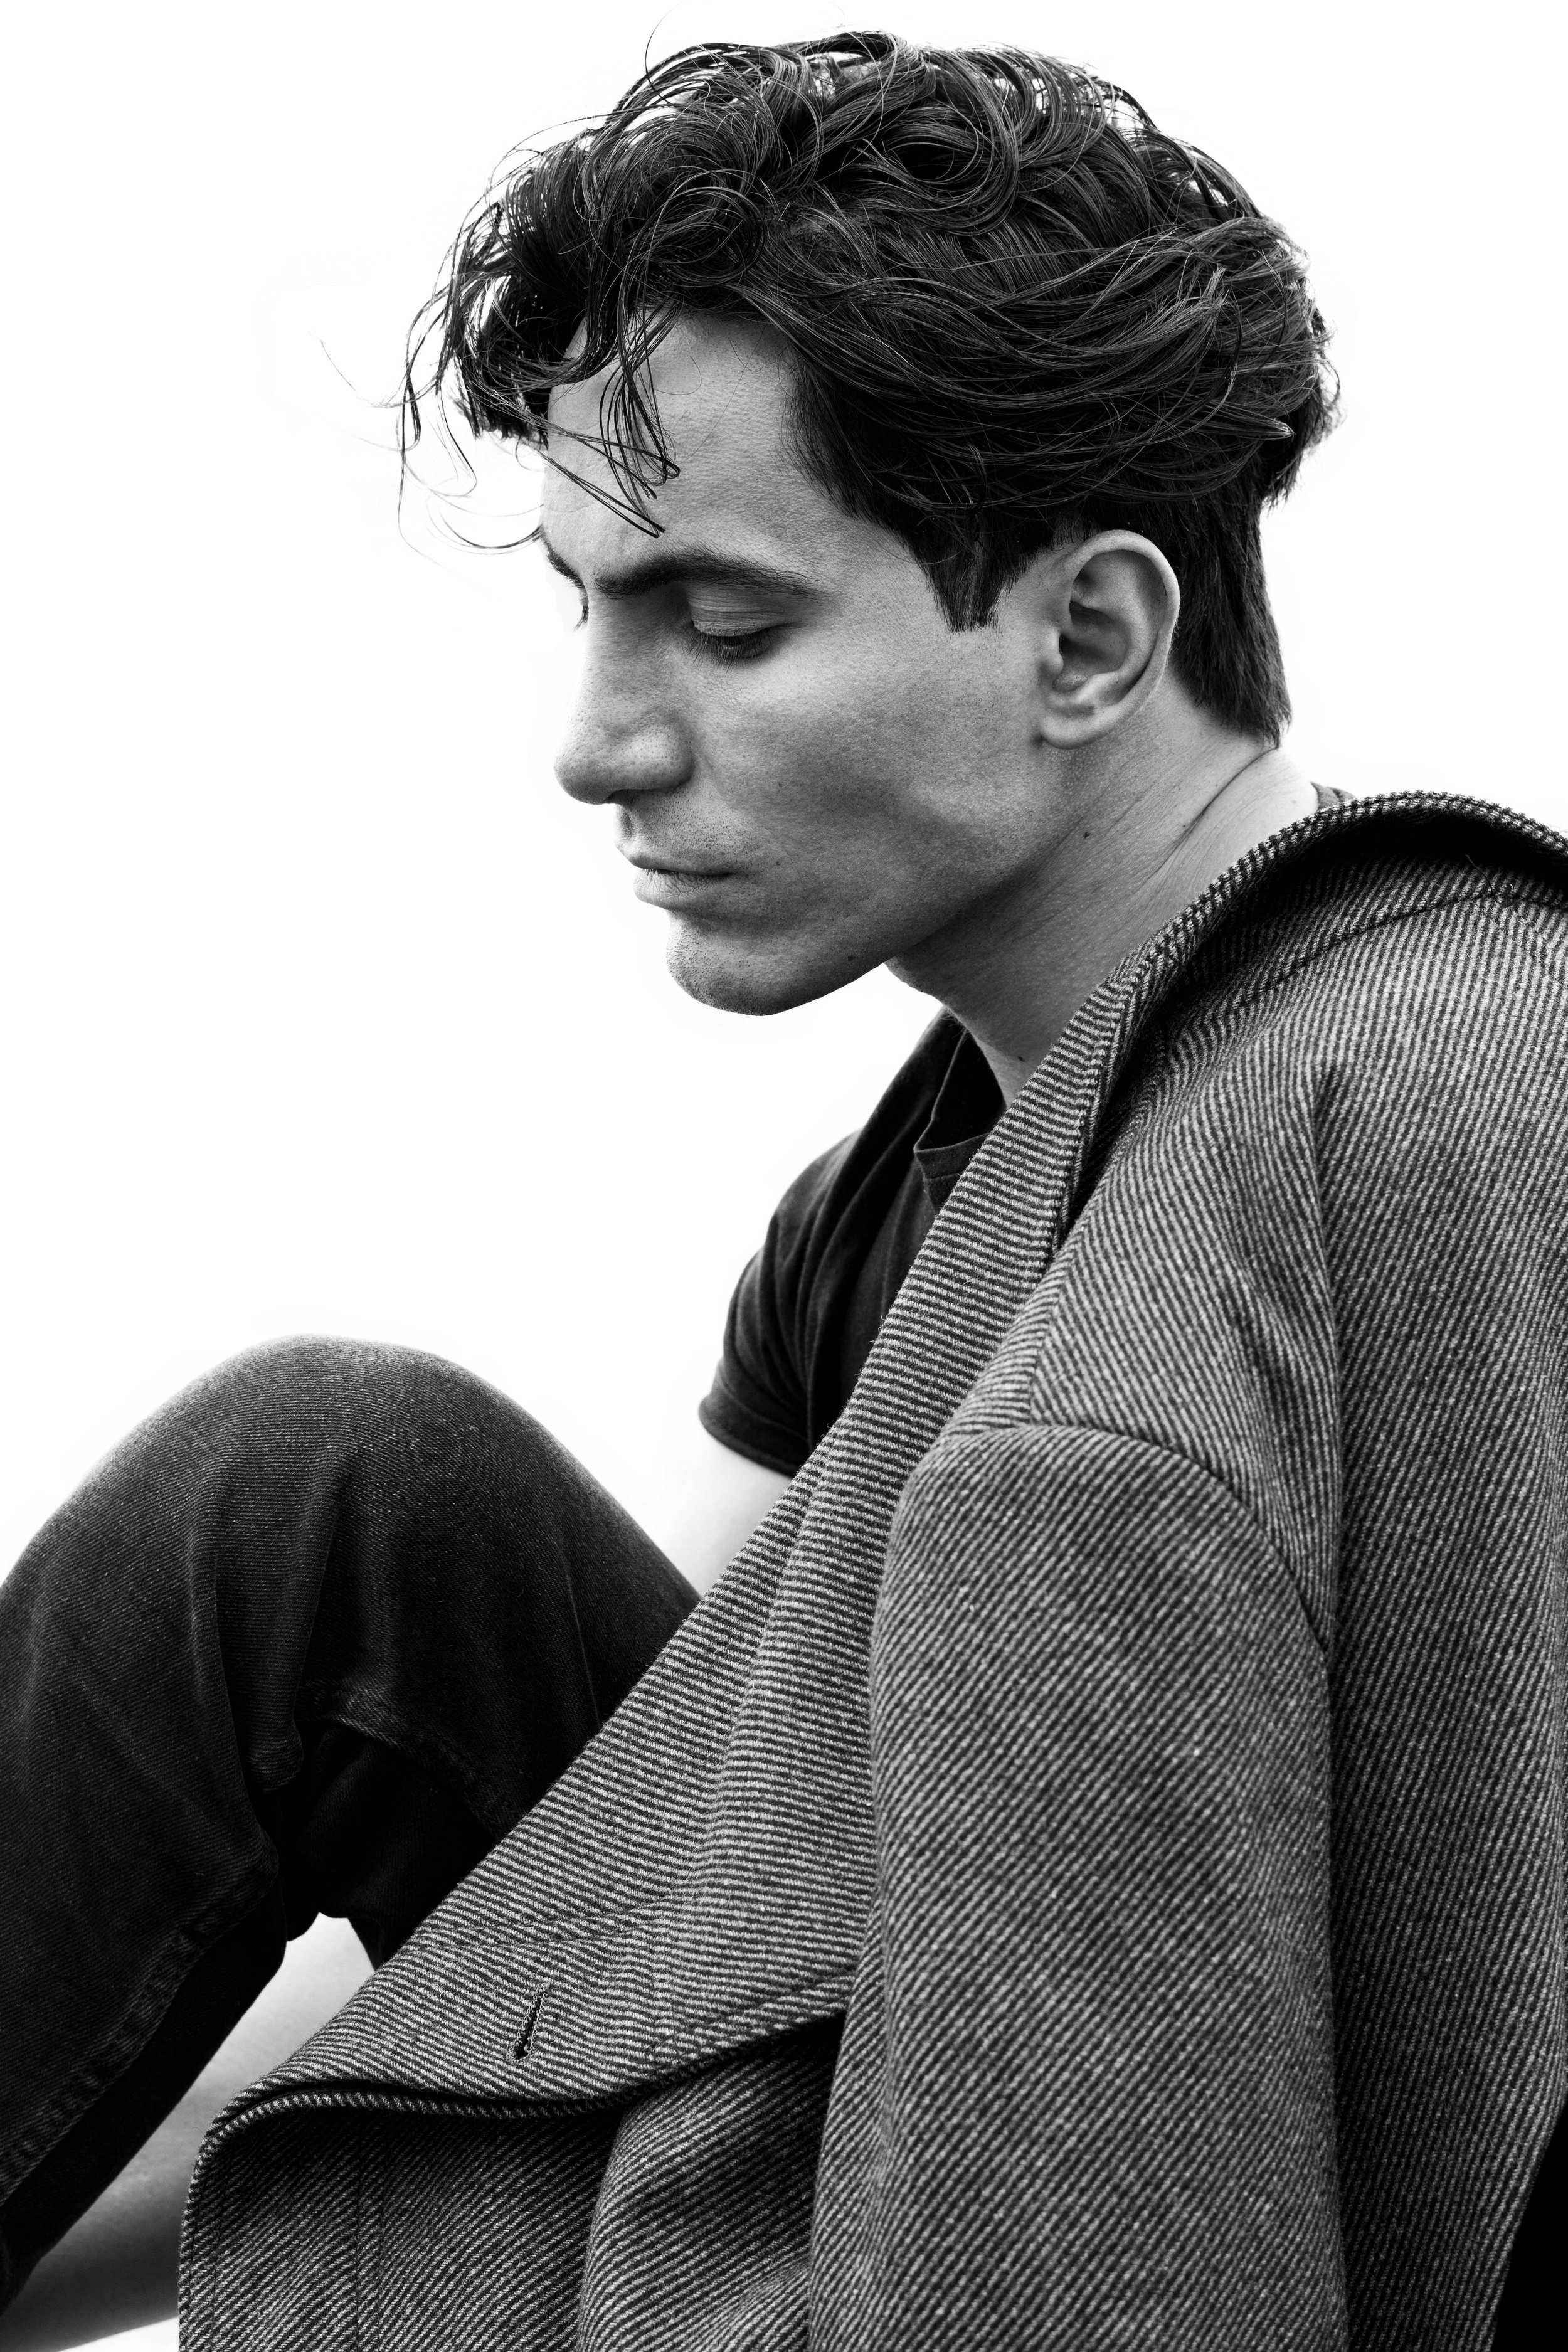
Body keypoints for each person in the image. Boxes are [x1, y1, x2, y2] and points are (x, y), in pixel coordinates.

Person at [2, 31, 1563, 2349]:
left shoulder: (1430, 1109)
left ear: (1089, 637)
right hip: (822, 2096)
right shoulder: (891, 1210)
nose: (594, 741)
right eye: (585, 605)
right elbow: (600, 1912)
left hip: (1091, 2191)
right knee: (320, 1488)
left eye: (722, 626)